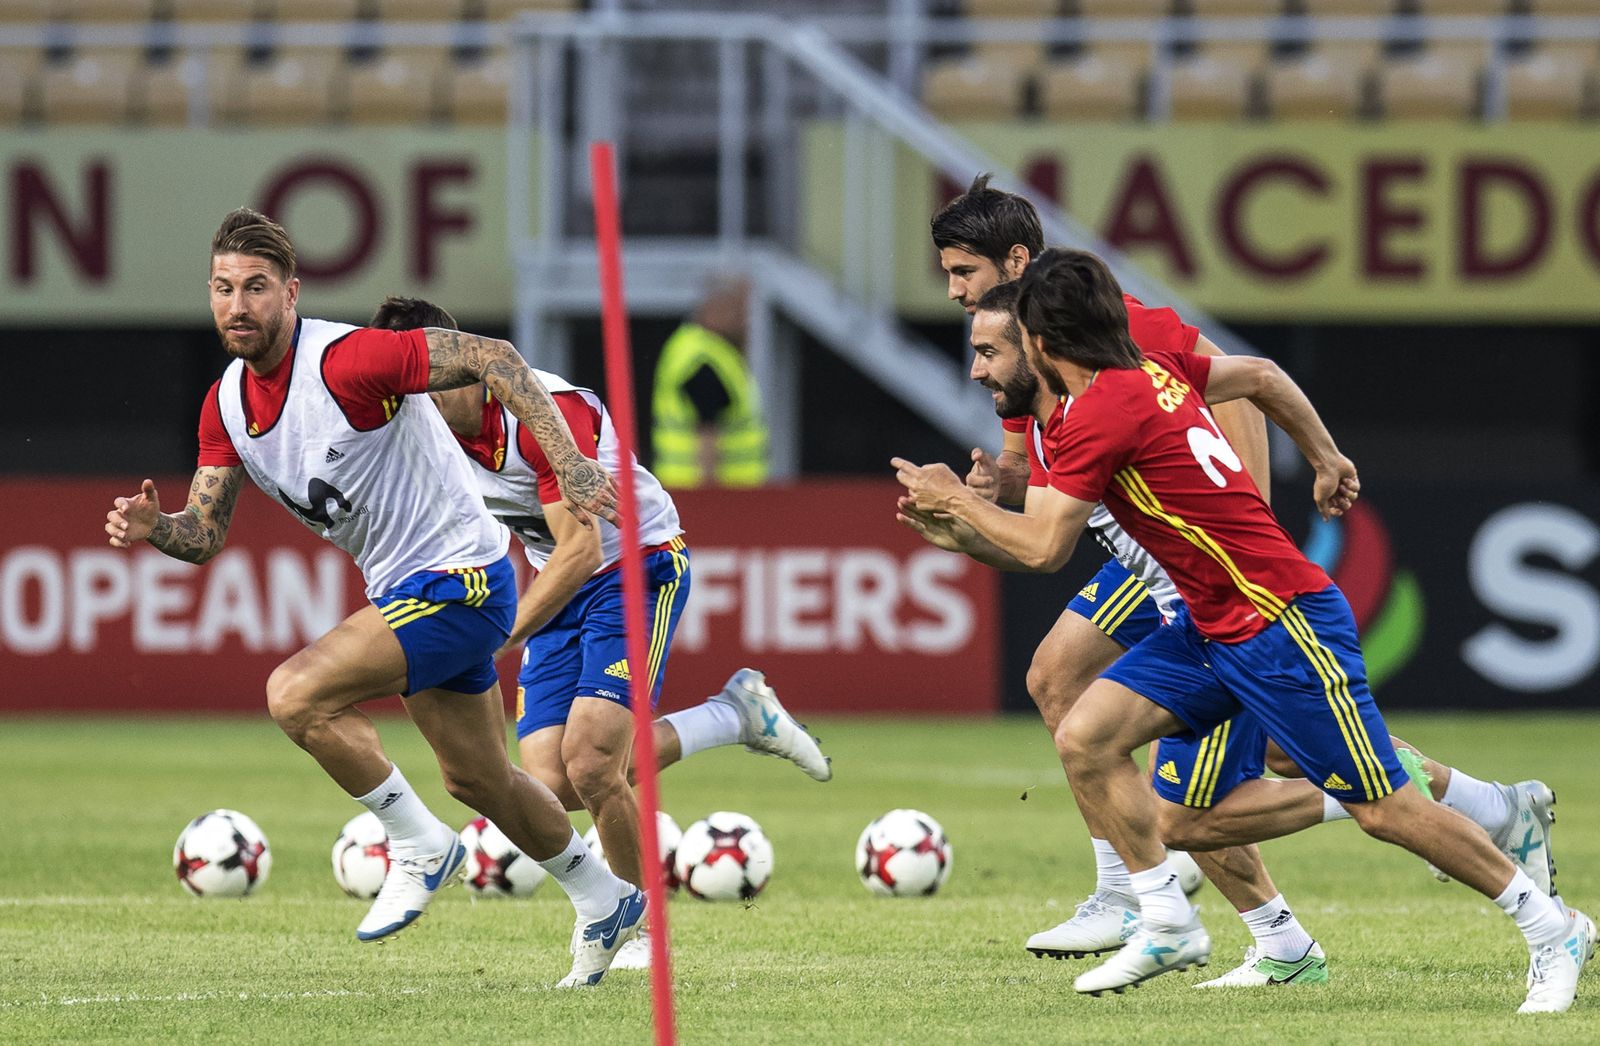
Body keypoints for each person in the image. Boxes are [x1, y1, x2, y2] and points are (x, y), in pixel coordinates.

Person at [894, 247, 1591, 1012]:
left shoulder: (1100, 414)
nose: (986, 362)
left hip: (1281, 623)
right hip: (1208, 625)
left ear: (1043, 342)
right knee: (1111, 755)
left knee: (1385, 808)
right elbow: (1259, 376)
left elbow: (1044, 546)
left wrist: (955, 502)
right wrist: (1324, 458)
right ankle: (1166, 919)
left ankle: (1549, 927)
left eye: (1003, 342)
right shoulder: (1143, 379)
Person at [104, 208, 642, 989]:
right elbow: (206, 533)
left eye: (256, 288)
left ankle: (420, 844)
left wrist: (573, 464)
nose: (238, 305)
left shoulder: (349, 361)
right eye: (223, 289)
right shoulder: (225, 404)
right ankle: (606, 900)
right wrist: (160, 527)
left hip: (462, 578)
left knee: (296, 695)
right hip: (408, 588)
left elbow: (494, 357)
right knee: (481, 780)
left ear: (291, 293)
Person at [934, 174, 1325, 978]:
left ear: (1015, 260)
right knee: (1056, 680)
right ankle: (1137, 895)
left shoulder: (1118, 325)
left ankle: (1439, 806)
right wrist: (985, 493)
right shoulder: (1014, 350)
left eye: (963, 271)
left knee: (1240, 780)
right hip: (1139, 552)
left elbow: (1237, 377)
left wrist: (1240, 508)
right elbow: (1035, 491)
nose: (953, 290)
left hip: (1199, 562)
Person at [370, 296, 831, 969]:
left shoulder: (540, 414)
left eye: (419, 376)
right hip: (556, 583)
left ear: (457, 359)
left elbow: (582, 550)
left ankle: (639, 930)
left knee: (592, 762)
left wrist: (493, 634)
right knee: (550, 787)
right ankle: (733, 716)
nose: (409, 396)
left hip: (633, 565)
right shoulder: (423, 435)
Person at [651, 277, 768, 488]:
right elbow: (706, 431)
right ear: (716, 309)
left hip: (689, 488)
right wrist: (710, 495)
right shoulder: (704, 359)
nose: (744, 320)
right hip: (706, 491)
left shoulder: (693, 346)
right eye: (738, 311)